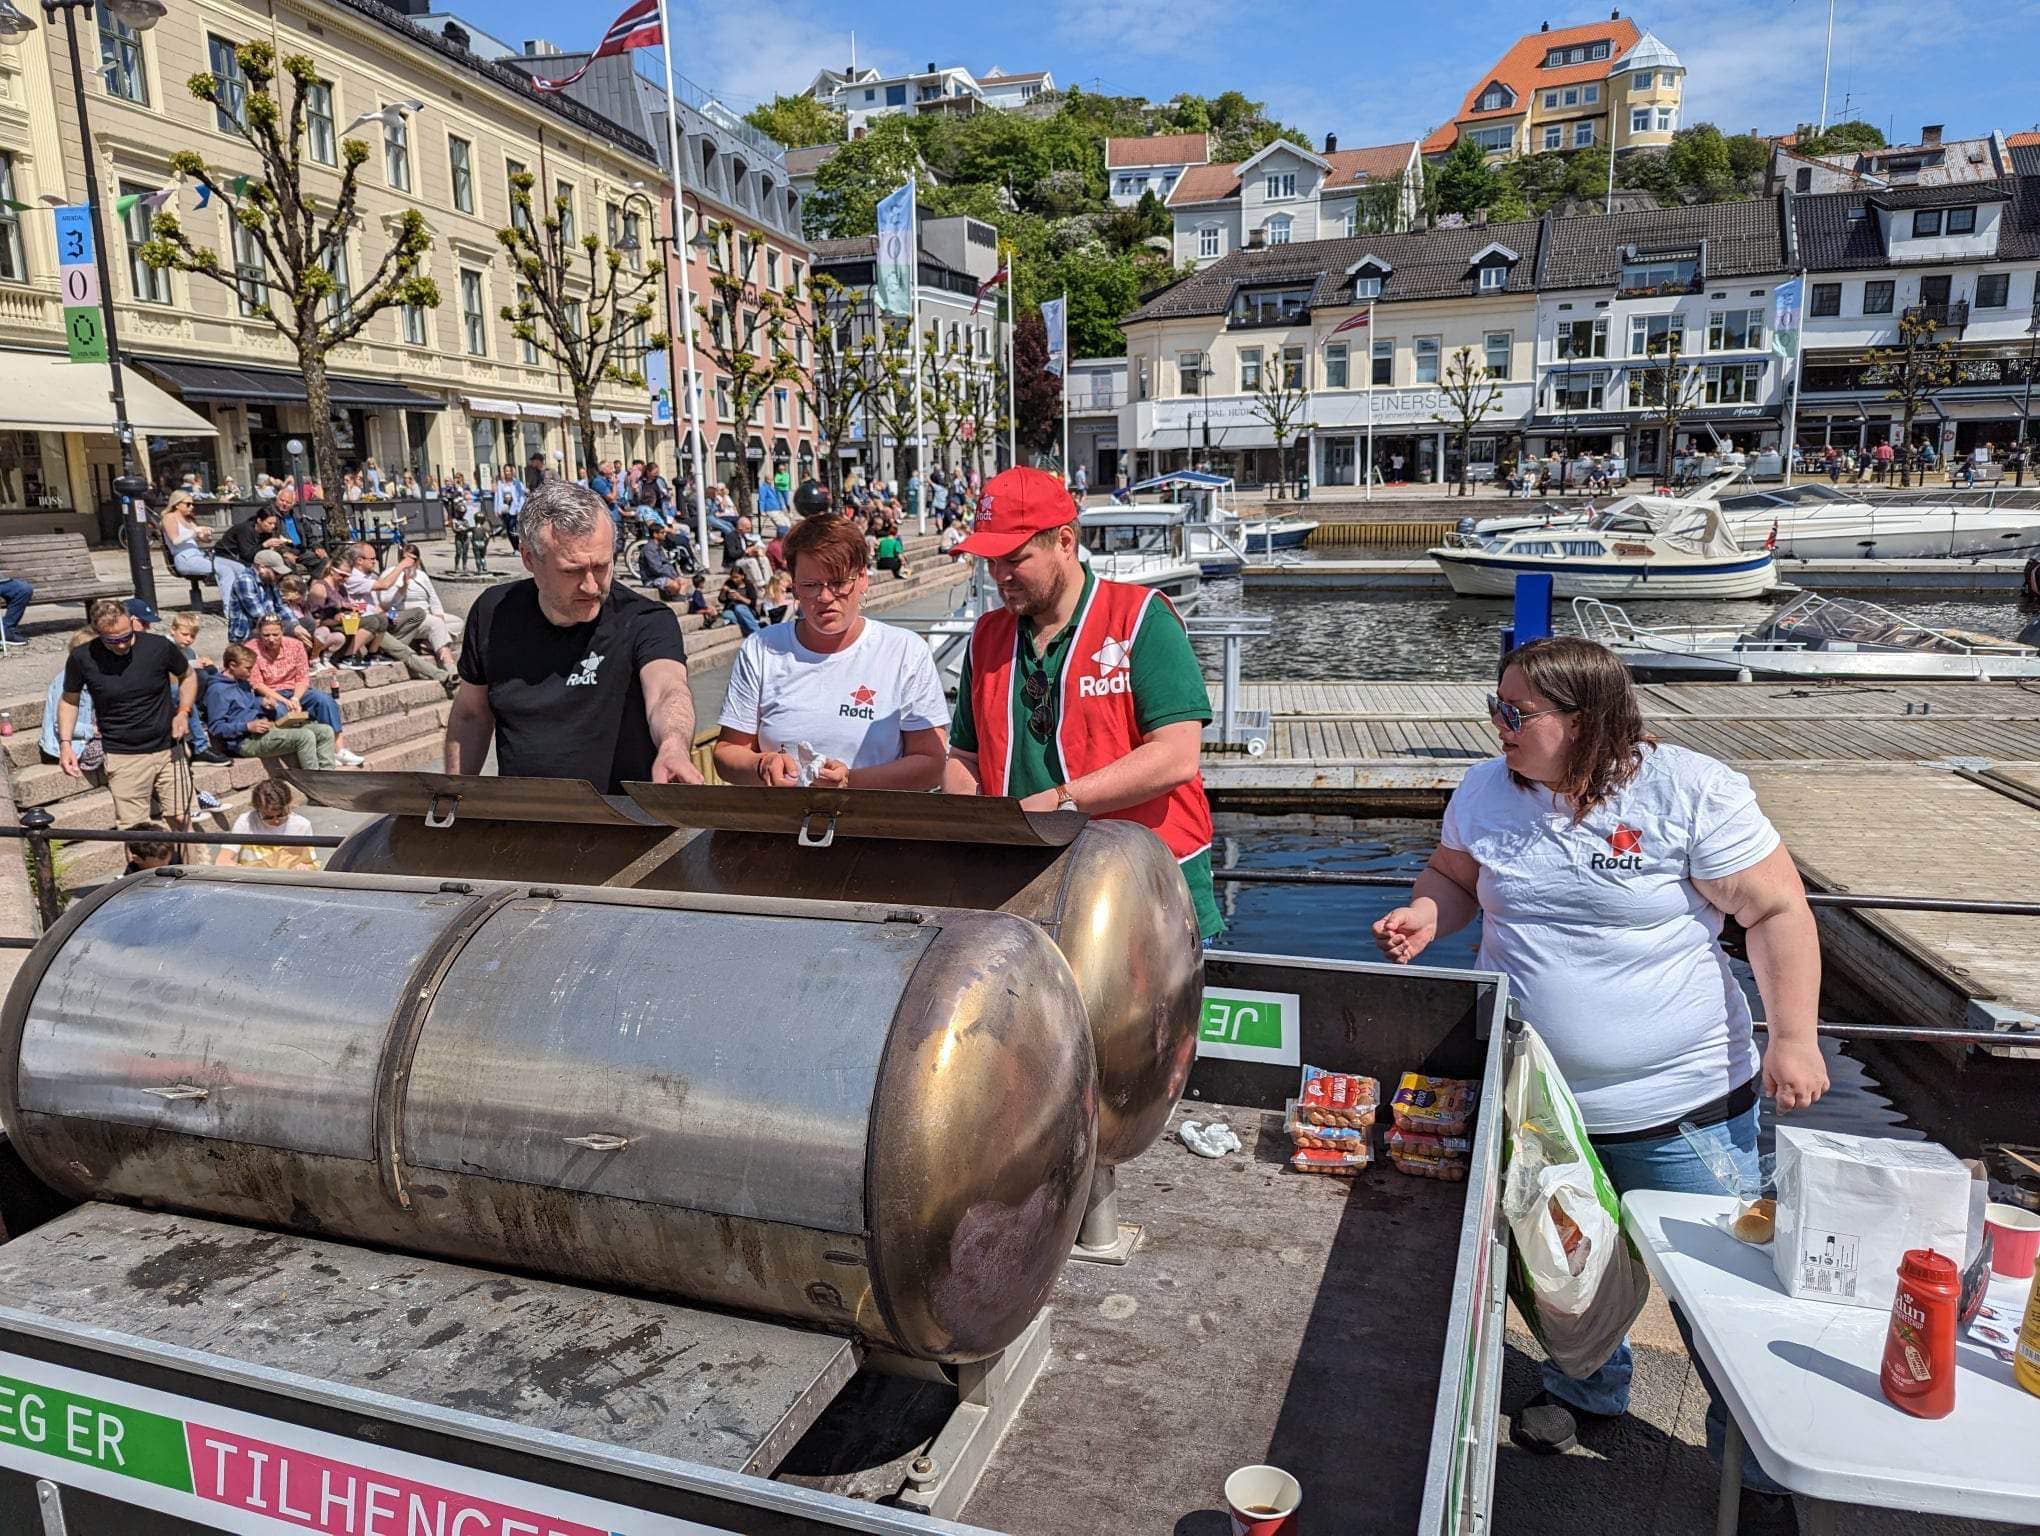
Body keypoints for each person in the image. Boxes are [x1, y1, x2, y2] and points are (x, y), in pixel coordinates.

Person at [1370, 636, 1825, 1533]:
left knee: (1721, 1293)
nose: (1495, 727)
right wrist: (1428, 912)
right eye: (1494, 707)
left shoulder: (1690, 790)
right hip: (1540, 1105)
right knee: (1559, 1270)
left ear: (1584, 722)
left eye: (1515, 713)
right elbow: (1455, 878)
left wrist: (1796, 1039)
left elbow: (1776, 909)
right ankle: (1587, 1385)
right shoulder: (1482, 791)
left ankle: (1759, 1464)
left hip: (1684, 1106)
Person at [943, 467, 1220, 941]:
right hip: (1028, 889)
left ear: (1065, 542)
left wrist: (1060, 801)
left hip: (1147, 889)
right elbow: (964, 757)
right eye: (989, 561)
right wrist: (977, 827)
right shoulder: (986, 636)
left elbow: (1176, 755)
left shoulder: (1140, 618)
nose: (1000, 576)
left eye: (1014, 558)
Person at [443, 480, 703, 791]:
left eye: (602, 566)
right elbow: (471, 714)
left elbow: (667, 691)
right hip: (527, 819)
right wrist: (454, 793)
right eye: (572, 571)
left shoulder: (645, 619)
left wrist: (673, 744)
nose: (591, 586)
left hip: (623, 820)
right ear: (529, 559)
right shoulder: (492, 612)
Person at [715, 514, 949, 790]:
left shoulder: (906, 651)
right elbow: (727, 752)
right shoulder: (760, 648)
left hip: (875, 825)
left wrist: (849, 783)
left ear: (863, 579)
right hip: (782, 824)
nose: (825, 598)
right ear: (794, 584)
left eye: (838, 583)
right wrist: (761, 765)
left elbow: (931, 764)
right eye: (811, 585)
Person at [59, 598, 197, 828]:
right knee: (135, 830)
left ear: (132, 622)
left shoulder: (158, 646)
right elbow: (69, 701)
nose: (122, 645)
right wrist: (66, 744)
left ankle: (191, 865)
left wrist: (183, 711)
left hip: (168, 747)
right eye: (113, 640)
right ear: (97, 632)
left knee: (181, 818)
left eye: (126, 636)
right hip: (123, 753)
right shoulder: (82, 657)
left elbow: (188, 676)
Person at [202, 642, 338, 772]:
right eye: (248, 668)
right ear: (232, 665)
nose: (251, 673)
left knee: (325, 731)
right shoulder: (218, 691)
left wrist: (262, 704)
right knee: (304, 736)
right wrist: (247, 726)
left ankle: (328, 775)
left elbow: (245, 705)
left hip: (263, 730)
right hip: (244, 742)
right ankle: (314, 781)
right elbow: (215, 728)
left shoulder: (242, 682)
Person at [250, 614, 363, 766]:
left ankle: (339, 750)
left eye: (275, 634)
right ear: (259, 634)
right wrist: (284, 700)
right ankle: (306, 745)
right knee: (281, 711)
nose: (271, 639)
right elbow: (257, 683)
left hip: (295, 690)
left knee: (325, 701)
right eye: (266, 635)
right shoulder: (251, 649)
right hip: (271, 692)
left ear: (282, 632)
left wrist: (295, 698)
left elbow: (302, 677)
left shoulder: (295, 645)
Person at [159, 489, 246, 599]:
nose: (191, 507)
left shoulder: (189, 520)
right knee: (225, 570)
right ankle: (230, 609)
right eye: (188, 504)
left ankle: (244, 601)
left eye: (192, 504)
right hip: (185, 558)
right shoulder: (169, 517)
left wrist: (206, 534)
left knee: (239, 567)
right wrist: (195, 531)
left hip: (200, 555)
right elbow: (175, 540)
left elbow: (204, 539)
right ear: (177, 505)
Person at [216, 777, 319, 868]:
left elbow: (309, 863)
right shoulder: (246, 822)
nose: (276, 820)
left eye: (281, 815)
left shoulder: (302, 825)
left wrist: (303, 867)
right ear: (258, 810)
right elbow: (222, 861)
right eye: (268, 817)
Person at [41, 627, 99, 767]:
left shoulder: (95, 676)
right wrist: (94, 731)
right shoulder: (64, 680)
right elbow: (59, 725)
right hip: (70, 745)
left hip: (90, 737)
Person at [494, 464, 525, 553]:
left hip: (515, 508)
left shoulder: (517, 483)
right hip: (504, 508)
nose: (508, 473)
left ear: (512, 472)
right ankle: (515, 548)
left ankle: (517, 547)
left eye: (509, 471)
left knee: (513, 527)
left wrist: (520, 509)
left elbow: (521, 496)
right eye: (506, 471)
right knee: (508, 528)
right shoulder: (501, 484)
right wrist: (497, 509)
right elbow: (498, 496)